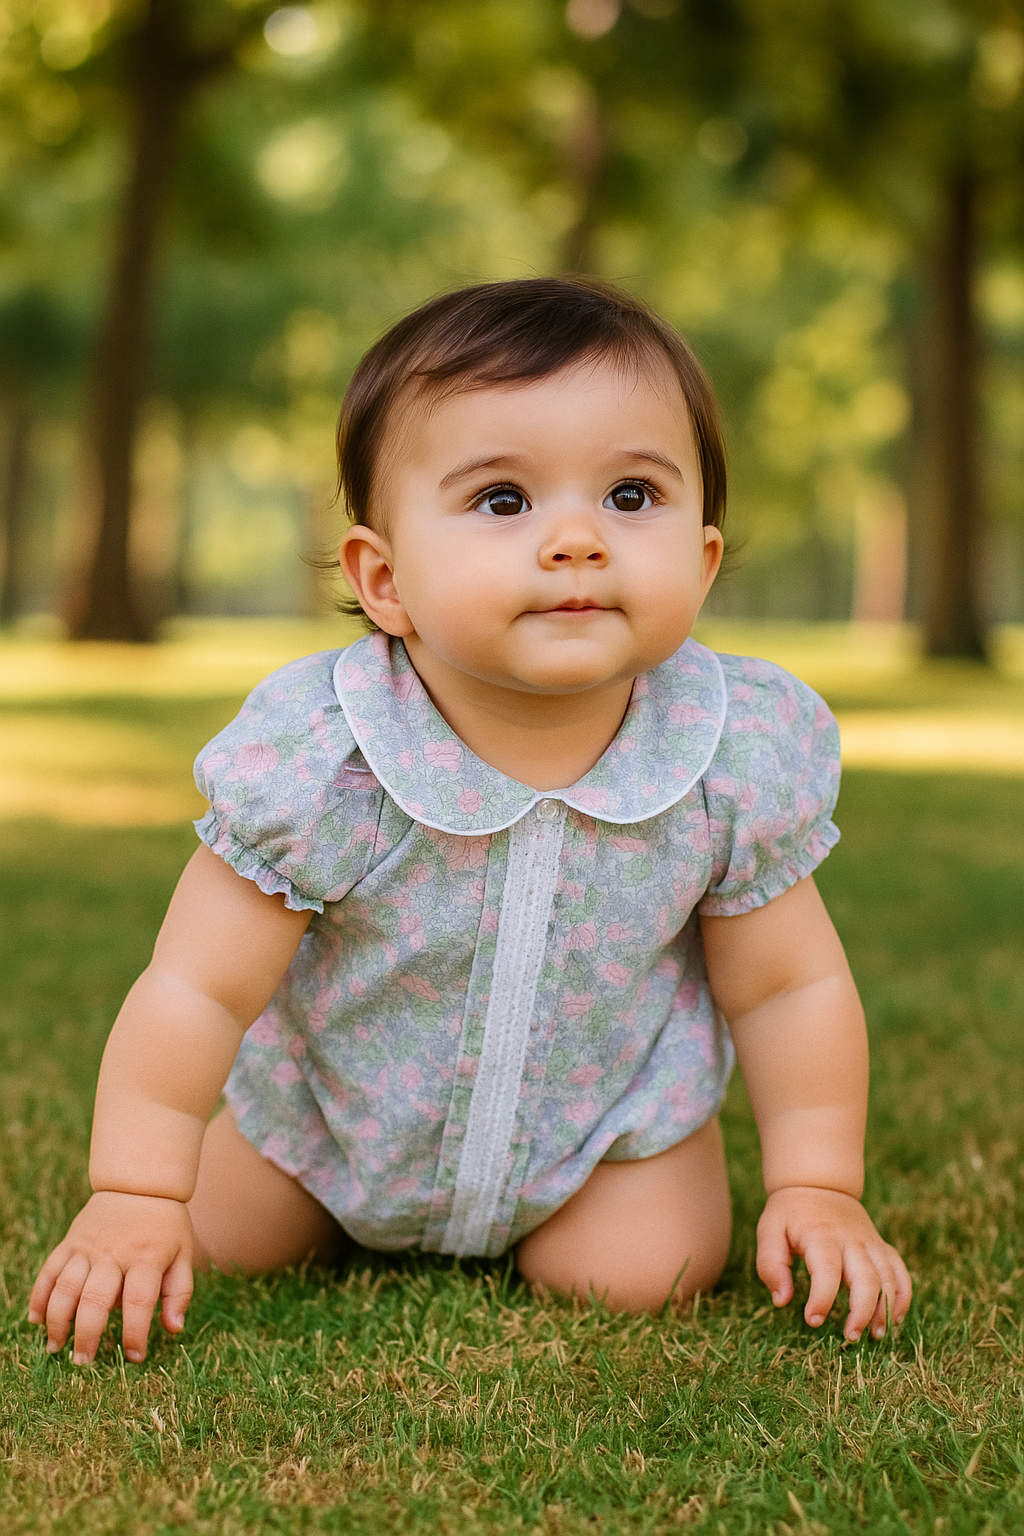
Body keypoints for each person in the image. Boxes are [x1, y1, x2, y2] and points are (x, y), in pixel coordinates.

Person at [30, 277, 911, 1365]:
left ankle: (603, 1204)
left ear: (702, 559)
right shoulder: (332, 761)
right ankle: (267, 1195)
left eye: (631, 495)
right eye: (503, 501)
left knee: (650, 1273)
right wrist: (134, 1190)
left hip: (596, 1135)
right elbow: (197, 987)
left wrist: (818, 1184)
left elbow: (788, 988)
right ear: (385, 579)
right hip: (328, 1132)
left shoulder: (722, 757)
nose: (577, 539)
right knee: (227, 1238)